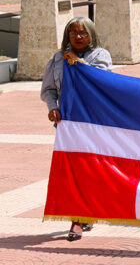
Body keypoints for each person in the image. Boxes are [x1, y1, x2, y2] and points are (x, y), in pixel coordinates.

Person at [41, 17, 112, 241]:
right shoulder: (57, 59)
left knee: (89, 169)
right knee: (72, 171)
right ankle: (78, 218)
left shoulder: (100, 55)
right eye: (73, 33)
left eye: (83, 33)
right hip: (68, 125)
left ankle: (84, 214)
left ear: (91, 34)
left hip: (92, 122)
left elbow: (101, 81)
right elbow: (49, 89)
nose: (78, 37)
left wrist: (77, 64)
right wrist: (53, 107)